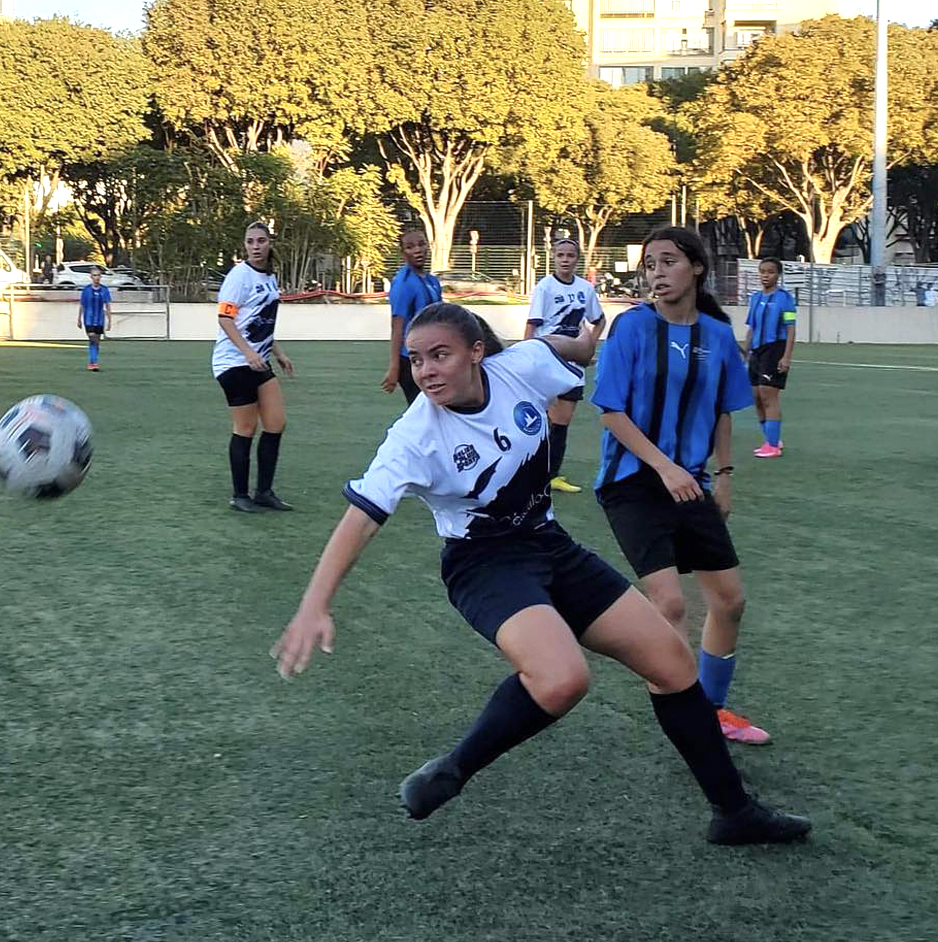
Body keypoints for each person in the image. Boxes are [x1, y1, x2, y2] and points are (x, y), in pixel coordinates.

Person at [272, 301, 810, 845]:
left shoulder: (519, 367)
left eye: (440, 355)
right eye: (416, 360)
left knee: (672, 664)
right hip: (483, 565)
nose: (426, 370)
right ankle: (453, 770)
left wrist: (583, 341)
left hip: (549, 545)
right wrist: (315, 603)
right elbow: (360, 520)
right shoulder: (415, 437)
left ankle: (734, 812)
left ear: (477, 352)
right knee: (562, 679)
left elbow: (562, 349)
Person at [592, 226, 770, 745]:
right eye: (650, 265)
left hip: (692, 482)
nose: (656, 273)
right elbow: (611, 412)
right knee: (668, 603)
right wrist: (665, 468)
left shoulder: (716, 335)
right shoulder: (630, 328)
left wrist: (726, 476)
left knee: (730, 601)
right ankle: (684, 715)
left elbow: (721, 412)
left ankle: (711, 710)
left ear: (695, 267)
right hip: (633, 482)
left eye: (667, 262)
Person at [213, 221, 295, 513]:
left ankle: (264, 492)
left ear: (270, 242)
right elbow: (225, 319)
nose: (256, 246)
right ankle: (240, 495)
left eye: (261, 241)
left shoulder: (270, 277)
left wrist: (280, 352)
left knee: (276, 423)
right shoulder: (239, 276)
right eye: (250, 242)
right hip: (233, 362)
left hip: (258, 360)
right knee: (246, 427)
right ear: (245, 246)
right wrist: (248, 352)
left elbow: (261, 323)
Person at [524, 238, 606, 493]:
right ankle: (531, 471)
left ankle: (551, 475)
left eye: (570, 255)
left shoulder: (585, 288)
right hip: (548, 359)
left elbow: (599, 320)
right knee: (540, 417)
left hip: (573, 365)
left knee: (562, 420)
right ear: (553, 257)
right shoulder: (545, 287)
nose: (565, 259)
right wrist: (525, 356)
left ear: (577, 258)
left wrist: (588, 346)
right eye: (560, 255)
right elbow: (532, 324)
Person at [381, 227, 442, 404]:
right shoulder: (403, 283)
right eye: (410, 247)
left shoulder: (432, 281)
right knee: (424, 409)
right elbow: (397, 326)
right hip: (412, 360)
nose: (417, 250)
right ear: (403, 253)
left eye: (421, 244)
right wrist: (395, 367)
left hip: (432, 355)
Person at [744, 257, 797, 458]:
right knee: (756, 396)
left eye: (770, 272)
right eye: (762, 271)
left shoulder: (784, 299)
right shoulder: (755, 298)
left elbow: (791, 329)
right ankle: (772, 439)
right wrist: (745, 350)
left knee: (768, 395)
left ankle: (773, 446)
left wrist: (786, 357)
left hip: (775, 348)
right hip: (757, 351)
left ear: (778, 275)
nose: (765, 276)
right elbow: (752, 327)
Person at [76, 267, 112, 372]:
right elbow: (82, 305)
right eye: (95, 275)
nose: (97, 278)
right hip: (88, 319)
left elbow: (107, 306)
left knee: (96, 342)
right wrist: (79, 319)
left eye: (98, 275)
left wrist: (109, 321)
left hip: (99, 319)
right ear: (91, 277)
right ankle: (93, 362)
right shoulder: (86, 290)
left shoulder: (104, 290)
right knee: (92, 338)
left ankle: (93, 362)